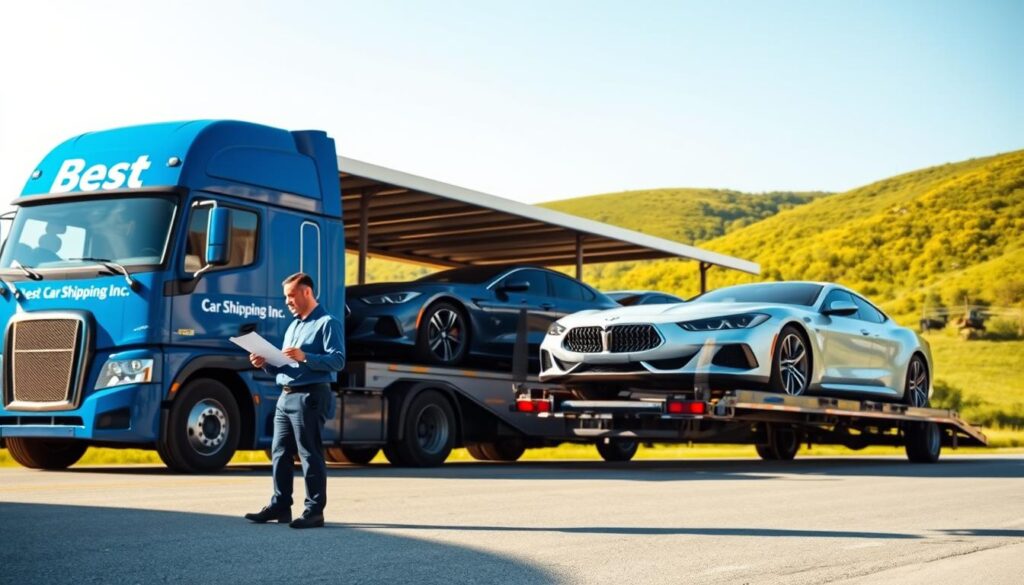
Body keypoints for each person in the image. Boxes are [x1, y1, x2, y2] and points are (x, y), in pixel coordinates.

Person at [245, 272, 345, 529]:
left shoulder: (327, 323)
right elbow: (285, 367)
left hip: (310, 396)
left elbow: (338, 361)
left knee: (309, 453)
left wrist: (305, 356)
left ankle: (314, 511)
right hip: (285, 396)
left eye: (291, 295)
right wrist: (265, 363)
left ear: (307, 293)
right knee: (279, 452)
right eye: (285, 296)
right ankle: (280, 505)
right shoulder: (293, 326)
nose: (287, 301)